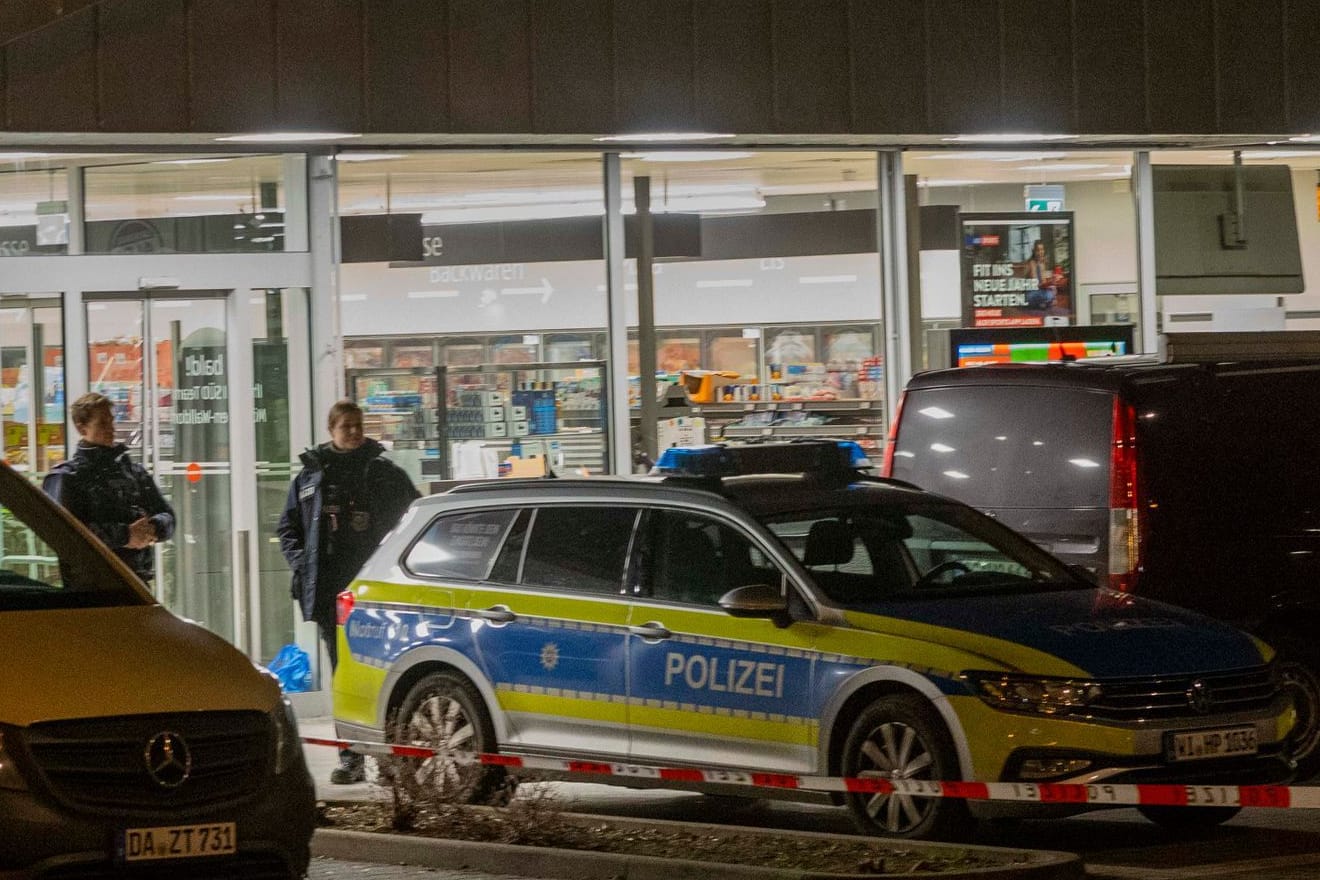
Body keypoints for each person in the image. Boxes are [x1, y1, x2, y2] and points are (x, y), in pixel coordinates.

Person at [277, 399, 420, 784]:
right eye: (346, 427)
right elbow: (288, 528)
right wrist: (303, 563)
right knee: (345, 678)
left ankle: (392, 760)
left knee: (387, 676)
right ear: (332, 430)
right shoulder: (310, 477)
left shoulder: (384, 473)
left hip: (379, 597)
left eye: (358, 425)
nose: (354, 432)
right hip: (332, 598)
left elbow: (415, 519)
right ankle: (351, 758)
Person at [43, 392, 175, 584]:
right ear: (82, 428)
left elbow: (167, 515)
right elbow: (67, 536)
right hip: (91, 588)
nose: (111, 428)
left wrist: (153, 528)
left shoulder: (132, 471)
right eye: (103, 423)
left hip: (138, 583)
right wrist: (126, 535)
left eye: (111, 421)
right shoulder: (66, 478)